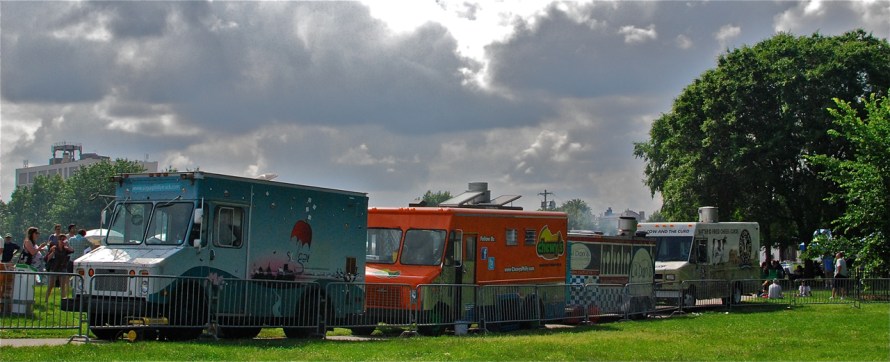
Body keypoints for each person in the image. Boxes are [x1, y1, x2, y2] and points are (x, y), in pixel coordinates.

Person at [44, 233, 73, 303]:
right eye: (61, 239)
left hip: (62, 268)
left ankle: (64, 301)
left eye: (64, 240)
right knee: (51, 285)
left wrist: (67, 245)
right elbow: (47, 258)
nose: (63, 241)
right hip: (54, 268)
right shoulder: (54, 248)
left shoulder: (65, 249)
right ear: (58, 240)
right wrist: (53, 252)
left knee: (62, 286)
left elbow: (72, 250)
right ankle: (46, 300)